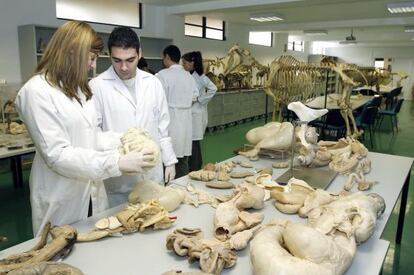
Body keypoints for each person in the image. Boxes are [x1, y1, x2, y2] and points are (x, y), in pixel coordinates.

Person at [15, 21, 154, 236]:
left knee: (93, 247)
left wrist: (124, 140)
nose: (92, 65)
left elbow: (90, 137)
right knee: (60, 255)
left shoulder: (79, 89)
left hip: (91, 192)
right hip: (61, 195)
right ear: (71, 54)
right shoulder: (36, 92)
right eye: (90, 58)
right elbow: (57, 155)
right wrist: (116, 163)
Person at [90, 27, 178, 207]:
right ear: (109, 56)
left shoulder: (153, 83)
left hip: (152, 173)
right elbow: (93, 135)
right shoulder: (96, 87)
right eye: (117, 60)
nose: (123, 67)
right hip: (120, 179)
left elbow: (163, 126)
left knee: (155, 221)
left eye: (130, 60)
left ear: (140, 53)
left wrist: (169, 161)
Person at [156, 45, 198, 178]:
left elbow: (156, 99)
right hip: (186, 120)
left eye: (164, 57)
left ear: (167, 57)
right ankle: (183, 185)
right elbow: (195, 97)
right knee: (183, 157)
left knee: (167, 156)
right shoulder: (188, 76)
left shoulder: (162, 75)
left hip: (170, 119)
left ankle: (166, 188)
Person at [182, 51, 217, 171]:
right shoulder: (186, 75)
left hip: (197, 112)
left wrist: (200, 99)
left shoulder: (201, 77)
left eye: (185, 63)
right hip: (188, 112)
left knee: (194, 142)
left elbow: (213, 88)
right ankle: (191, 167)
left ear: (193, 63)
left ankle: (196, 167)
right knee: (189, 141)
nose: (184, 65)